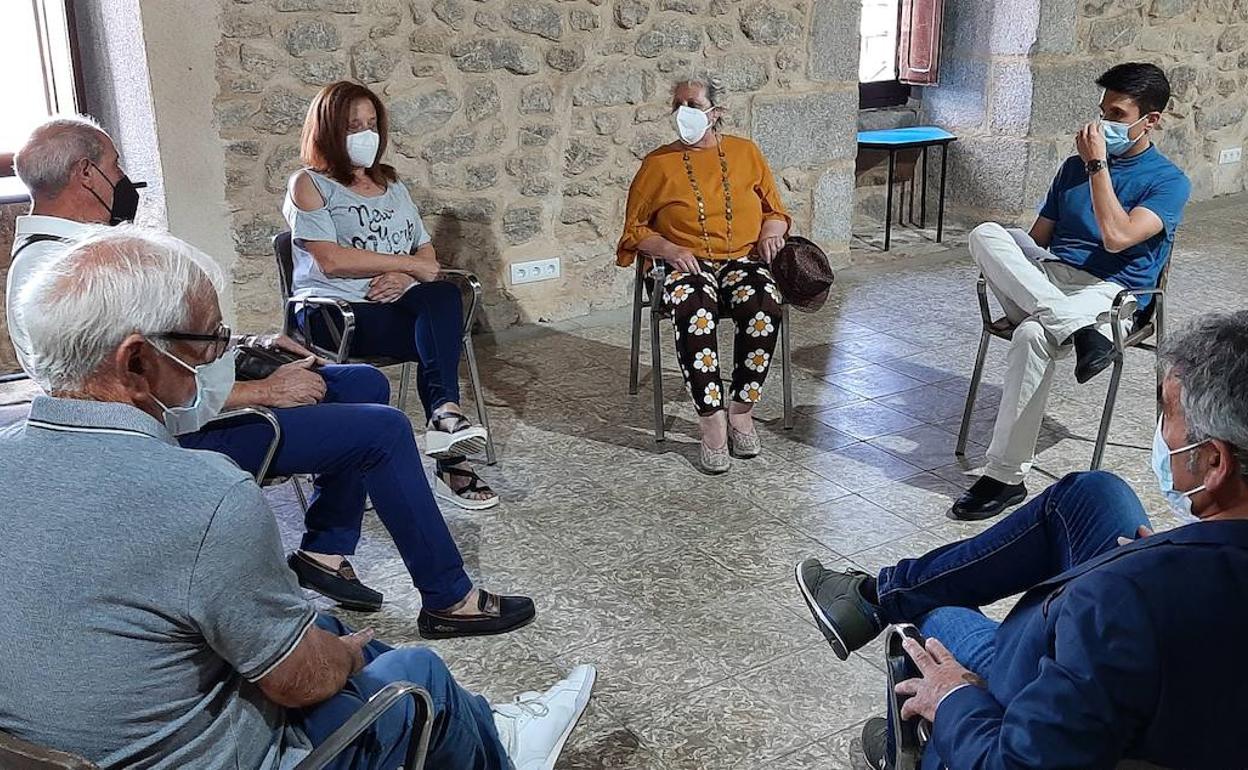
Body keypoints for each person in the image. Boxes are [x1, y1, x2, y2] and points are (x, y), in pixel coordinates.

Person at [0, 227, 596, 770]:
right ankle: (499, 748)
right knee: (418, 672)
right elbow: (298, 684)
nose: (216, 357)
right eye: (209, 342)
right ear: (136, 360)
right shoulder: (205, 494)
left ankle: (480, 721)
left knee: (324, 622)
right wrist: (340, 659)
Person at [7, 116, 530, 636]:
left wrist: (246, 344)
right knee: (383, 430)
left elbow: (160, 350)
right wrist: (263, 390)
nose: (125, 180)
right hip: (176, 436)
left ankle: (325, 551)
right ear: (86, 175)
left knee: (362, 384)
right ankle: (448, 599)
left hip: (204, 394)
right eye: (117, 166)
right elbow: (133, 394)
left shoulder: (77, 254)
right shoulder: (63, 271)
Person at [794, 310, 1248, 769]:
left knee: (935, 617)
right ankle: (871, 597)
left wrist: (953, 699)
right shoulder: (1150, 585)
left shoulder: (1122, 600)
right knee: (1093, 494)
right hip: (1157, 647)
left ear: (1213, 462)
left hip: (1061, 681)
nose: (1162, 434)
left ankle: (919, 746)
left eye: (1167, 415)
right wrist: (1161, 561)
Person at [953, 62, 1191, 520]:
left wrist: (1099, 165)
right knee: (986, 233)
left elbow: (1117, 237)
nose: (1102, 125)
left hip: (1111, 293)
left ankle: (1004, 477)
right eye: (1102, 112)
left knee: (1031, 336)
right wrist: (1017, 259)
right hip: (1050, 283)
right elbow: (1038, 240)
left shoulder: (1168, 182)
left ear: (1151, 120)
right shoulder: (1070, 169)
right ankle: (1077, 329)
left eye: (1117, 116)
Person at [284, 80, 495, 510]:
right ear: (327, 131)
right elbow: (331, 260)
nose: (366, 134)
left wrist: (411, 275)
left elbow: (425, 251)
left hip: (396, 303)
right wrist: (409, 268)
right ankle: (451, 457)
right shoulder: (308, 184)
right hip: (337, 313)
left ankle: (445, 416)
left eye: (371, 123)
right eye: (352, 126)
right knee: (435, 327)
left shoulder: (392, 184)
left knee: (441, 300)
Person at [617, 74, 792, 474]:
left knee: (764, 304)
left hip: (742, 259)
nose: (683, 113)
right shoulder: (657, 164)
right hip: (684, 262)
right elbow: (634, 230)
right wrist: (669, 248)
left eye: (693, 105)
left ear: (716, 113)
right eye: (678, 104)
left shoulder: (746, 152)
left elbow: (776, 211)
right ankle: (711, 421)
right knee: (696, 308)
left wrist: (771, 232)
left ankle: (740, 411)